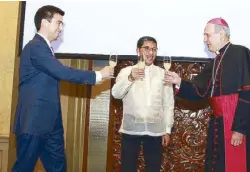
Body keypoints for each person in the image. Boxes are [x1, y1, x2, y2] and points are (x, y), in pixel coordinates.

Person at [12, 5, 113, 172]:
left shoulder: (44, 49)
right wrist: (98, 75)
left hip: (52, 124)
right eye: (58, 23)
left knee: (58, 168)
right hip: (34, 122)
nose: (61, 28)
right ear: (45, 22)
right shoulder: (35, 46)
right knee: (24, 168)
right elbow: (62, 71)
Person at [164, 18, 250, 172]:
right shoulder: (216, 60)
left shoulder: (241, 52)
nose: (205, 40)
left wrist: (240, 129)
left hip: (234, 121)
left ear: (221, 33)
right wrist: (179, 81)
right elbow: (200, 91)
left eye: (207, 35)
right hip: (217, 123)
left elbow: (249, 92)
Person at [112, 36, 174, 172]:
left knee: (153, 168)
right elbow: (116, 94)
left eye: (154, 49)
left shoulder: (163, 73)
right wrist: (130, 78)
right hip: (131, 129)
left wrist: (167, 130)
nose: (151, 53)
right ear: (138, 50)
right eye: (147, 48)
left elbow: (168, 104)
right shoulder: (126, 71)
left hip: (155, 131)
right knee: (127, 168)